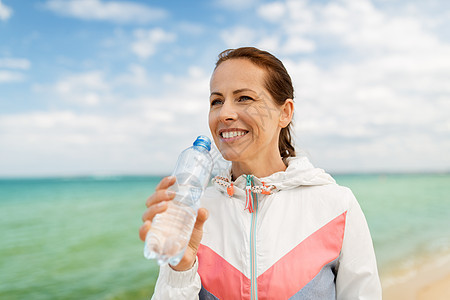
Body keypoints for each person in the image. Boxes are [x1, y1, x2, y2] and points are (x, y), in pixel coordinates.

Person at [139, 47, 382, 299]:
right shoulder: (195, 212)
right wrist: (180, 270)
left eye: (244, 98)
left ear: (285, 112)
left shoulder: (337, 206)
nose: (225, 114)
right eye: (216, 101)